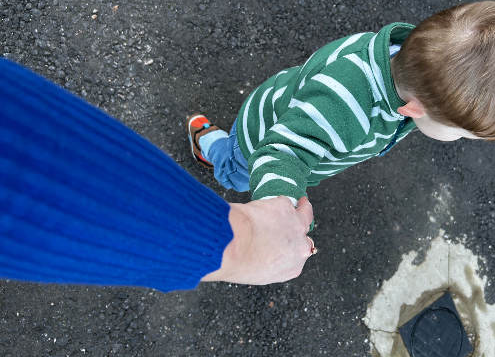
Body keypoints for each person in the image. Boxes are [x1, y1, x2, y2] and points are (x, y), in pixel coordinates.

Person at [188, 1, 495, 212]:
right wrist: (283, 210)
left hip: (294, 108)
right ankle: (208, 141)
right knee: (235, 173)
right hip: (259, 139)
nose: (459, 140)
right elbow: (280, 155)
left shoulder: (411, 60)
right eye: (461, 134)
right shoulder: (346, 108)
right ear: (415, 110)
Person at [0, 57, 315, 292]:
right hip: (262, 143)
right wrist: (243, 241)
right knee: (234, 163)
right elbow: (20, 170)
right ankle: (210, 146)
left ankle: (207, 143)